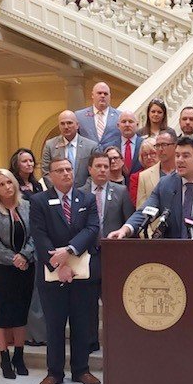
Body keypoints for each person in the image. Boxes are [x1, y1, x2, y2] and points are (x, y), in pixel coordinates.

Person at [30, 156, 101, 384]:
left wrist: (69, 252)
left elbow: (92, 229)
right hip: (53, 274)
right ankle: (54, 372)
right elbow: (39, 235)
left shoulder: (87, 198)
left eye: (69, 169)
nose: (66, 173)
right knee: (55, 325)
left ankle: (81, 369)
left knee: (82, 324)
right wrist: (59, 265)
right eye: (59, 170)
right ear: (50, 175)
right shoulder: (39, 200)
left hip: (81, 271)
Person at [108, 135, 193, 250]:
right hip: (171, 257)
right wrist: (125, 229)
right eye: (177, 155)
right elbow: (144, 212)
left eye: (185, 156)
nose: (179, 160)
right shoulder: (165, 184)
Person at [0, 169, 35, 379]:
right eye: (2, 184)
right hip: (2, 269)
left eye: (9, 183)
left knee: (21, 313)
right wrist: (13, 259)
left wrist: (24, 256)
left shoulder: (27, 206)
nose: (7, 187)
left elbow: (34, 235)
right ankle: (4, 357)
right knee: (5, 314)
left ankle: (19, 356)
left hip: (26, 267)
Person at [81, 151, 135, 352]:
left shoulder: (120, 191)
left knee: (114, 301)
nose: (103, 169)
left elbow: (129, 222)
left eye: (106, 166)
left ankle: (115, 340)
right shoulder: (80, 192)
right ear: (90, 169)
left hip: (113, 257)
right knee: (88, 303)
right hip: (87, 255)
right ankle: (90, 341)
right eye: (99, 166)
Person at [9, 148, 48, 347]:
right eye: (25, 161)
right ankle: (28, 335)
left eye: (31, 161)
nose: (29, 164)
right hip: (22, 240)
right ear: (16, 164)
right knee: (26, 292)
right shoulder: (12, 185)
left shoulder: (37, 185)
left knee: (38, 291)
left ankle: (40, 333)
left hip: (39, 237)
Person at [42, 110, 99, 189]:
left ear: (77, 125)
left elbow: (95, 172)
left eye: (69, 123)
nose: (66, 127)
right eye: (62, 123)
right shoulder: (50, 145)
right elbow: (46, 172)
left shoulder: (91, 146)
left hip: (84, 195)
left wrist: (82, 192)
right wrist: (58, 190)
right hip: (58, 194)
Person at [137, 128, 177, 208]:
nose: (160, 149)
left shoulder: (185, 171)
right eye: (157, 146)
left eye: (164, 145)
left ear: (175, 146)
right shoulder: (144, 176)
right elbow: (141, 209)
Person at [75, 82, 122, 149]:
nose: (102, 96)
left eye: (105, 94)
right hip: (88, 157)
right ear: (92, 95)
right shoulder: (79, 116)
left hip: (111, 157)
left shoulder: (120, 116)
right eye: (99, 93)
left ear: (110, 96)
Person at [129, 138, 158, 206]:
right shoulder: (136, 177)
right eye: (145, 155)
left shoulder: (166, 172)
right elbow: (136, 202)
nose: (149, 157)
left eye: (152, 153)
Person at [117, 110, 143, 176]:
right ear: (118, 125)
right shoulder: (109, 146)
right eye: (123, 122)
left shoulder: (144, 144)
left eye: (130, 121)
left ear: (137, 125)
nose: (127, 125)